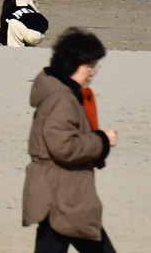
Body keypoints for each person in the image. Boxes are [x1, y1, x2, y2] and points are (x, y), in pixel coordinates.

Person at [23, 27, 117, 252]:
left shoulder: (61, 92)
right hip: (62, 196)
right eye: (90, 66)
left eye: (95, 66)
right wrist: (102, 141)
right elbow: (63, 147)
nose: (93, 72)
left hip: (60, 193)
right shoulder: (62, 99)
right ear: (73, 64)